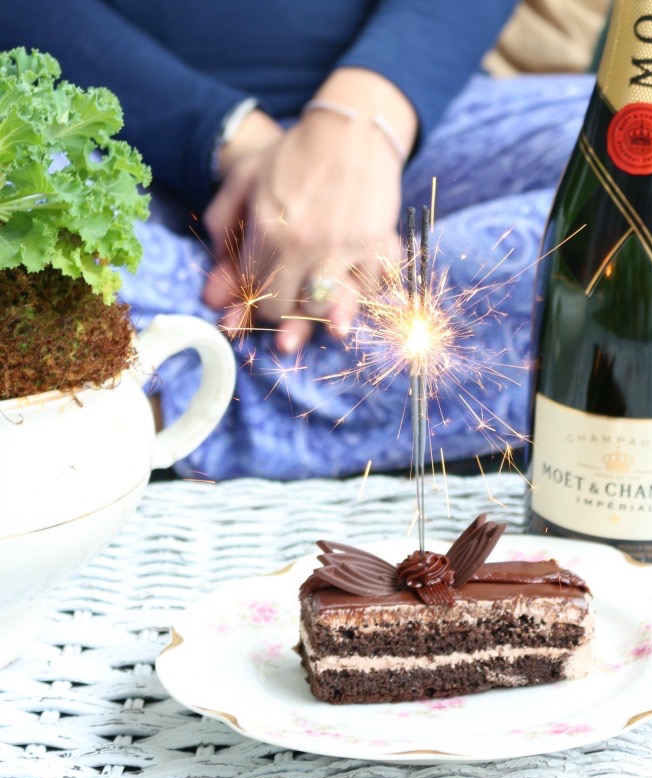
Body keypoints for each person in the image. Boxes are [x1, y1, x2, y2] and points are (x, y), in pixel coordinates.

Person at [1, 1, 597, 480]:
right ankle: (339, 378)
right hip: (81, 127)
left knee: (641, 184)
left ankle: (149, 385)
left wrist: (356, 128)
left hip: (400, 112)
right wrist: (229, 138)